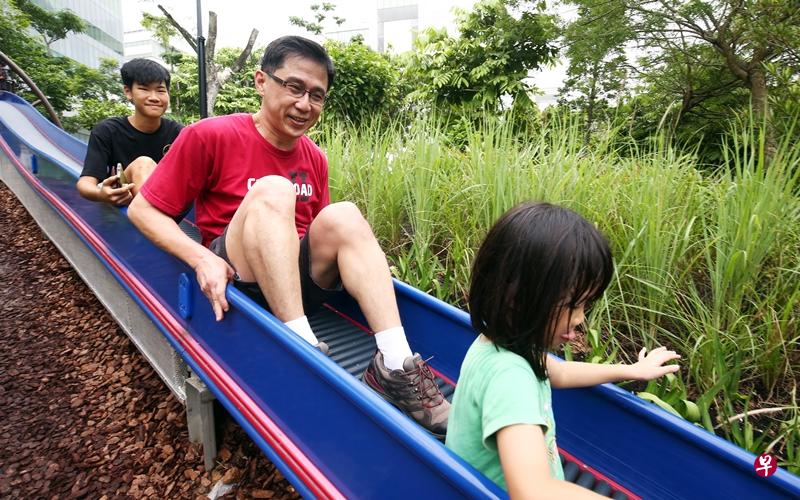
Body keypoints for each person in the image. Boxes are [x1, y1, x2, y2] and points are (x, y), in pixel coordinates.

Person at [128, 36, 449, 438]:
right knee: (274, 188)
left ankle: (396, 364)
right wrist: (201, 258)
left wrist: (368, 269)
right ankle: (301, 351)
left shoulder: (314, 156)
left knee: (344, 214)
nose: (304, 104)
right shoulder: (210, 135)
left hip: (295, 285)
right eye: (294, 87)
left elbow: (320, 233)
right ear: (262, 81)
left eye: (317, 95)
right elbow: (144, 210)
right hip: (239, 275)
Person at [445, 202, 681, 497]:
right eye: (572, 305)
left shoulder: (502, 347)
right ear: (517, 299)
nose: (581, 318)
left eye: (585, 304)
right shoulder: (509, 377)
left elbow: (562, 371)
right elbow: (533, 491)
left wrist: (631, 370)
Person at [76, 58, 182, 206]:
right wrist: (101, 194)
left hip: (168, 200)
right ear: (128, 92)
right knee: (143, 164)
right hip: (126, 200)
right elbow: (86, 183)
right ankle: (153, 217)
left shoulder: (179, 133)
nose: (154, 97)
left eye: (160, 90)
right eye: (144, 89)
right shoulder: (108, 131)